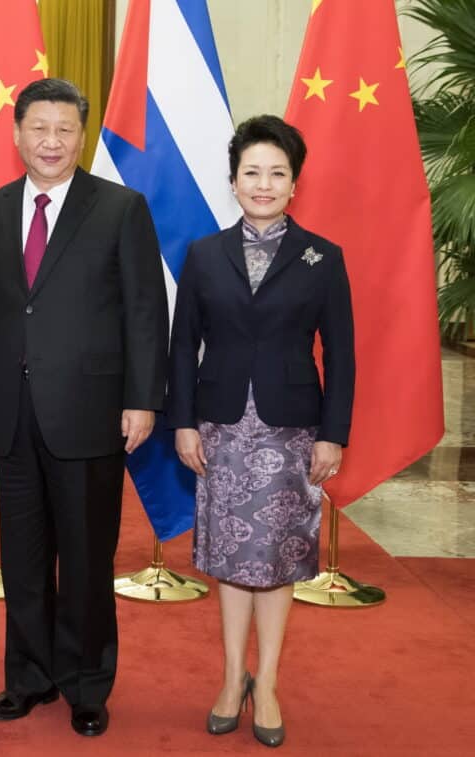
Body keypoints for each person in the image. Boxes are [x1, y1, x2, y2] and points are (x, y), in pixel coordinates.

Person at [0, 78, 169, 737]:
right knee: (25, 556)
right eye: (38, 127)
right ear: (16, 134)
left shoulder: (120, 208)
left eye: (64, 129)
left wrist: (142, 400)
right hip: (13, 409)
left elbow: (145, 313)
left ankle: (87, 683)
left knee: (88, 556)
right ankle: (29, 676)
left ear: (81, 135)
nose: (50, 140)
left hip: (92, 410)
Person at [168, 115, 355, 748]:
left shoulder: (321, 257)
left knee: (275, 561)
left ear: (294, 183)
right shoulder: (202, 254)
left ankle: (267, 682)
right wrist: (184, 421)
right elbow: (180, 346)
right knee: (228, 558)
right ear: (234, 180)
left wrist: (334, 433)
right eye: (253, 172)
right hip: (219, 428)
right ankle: (230, 679)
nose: (265, 183)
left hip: (290, 432)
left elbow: (344, 353)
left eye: (278, 173)